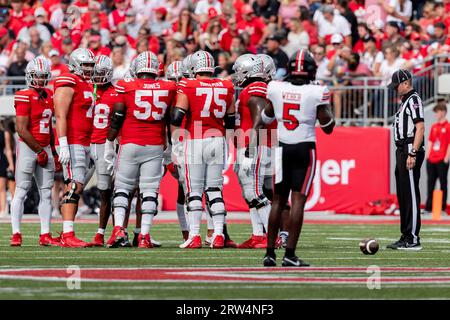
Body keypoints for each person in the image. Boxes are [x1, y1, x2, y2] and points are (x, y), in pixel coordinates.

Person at [259, 49, 335, 267]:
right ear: (311, 69)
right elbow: (328, 126)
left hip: (282, 148)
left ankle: (269, 253)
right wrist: (327, 111)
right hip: (304, 148)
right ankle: (290, 254)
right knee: (298, 200)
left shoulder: (276, 87)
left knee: (278, 201)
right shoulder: (317, 91)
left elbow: (266, 116)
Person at [105, 51, 176, 248]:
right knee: (149, 191)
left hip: (130, 142)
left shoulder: (126, 86)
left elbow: (118, 116)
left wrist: (109, 141)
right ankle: (144, 235)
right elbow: (171, 119)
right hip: (154, 144)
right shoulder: (168, 86)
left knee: (123, 188)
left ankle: (119, 229)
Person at [171, 50, 235, 249]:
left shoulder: (188, 85)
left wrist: (177, 145)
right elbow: (232, 119)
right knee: (215, 190)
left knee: (194, 190)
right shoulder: (226, 85)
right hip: (218, 138)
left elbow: (176, 117)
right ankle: (217, 235)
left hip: (196, 139)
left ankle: (194, 235)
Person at [10, 57, 59, 246]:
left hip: (44, 147)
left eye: (43, 76)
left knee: (46, 192)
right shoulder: (24, 95)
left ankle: (45, 234)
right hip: (28, 147)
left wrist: (52, 150)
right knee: (21, 191)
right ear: (30, 76)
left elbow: (51, 127)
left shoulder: (49, 95)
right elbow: (21, 129)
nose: (39, 79)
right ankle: (16, 233)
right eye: (36, 76)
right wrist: (39, 150)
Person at [54, 48, 96, 248]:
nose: (88, 68)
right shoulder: (68, 80)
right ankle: (67, 234)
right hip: (72, 141)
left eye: (90, 65)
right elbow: (60, 115)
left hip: (85, 141)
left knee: (77, 186)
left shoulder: (86, 83)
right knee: (74, 185)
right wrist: (62, 143)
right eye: (85, 64)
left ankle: (65, 232)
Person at [232, 54, 272, 249]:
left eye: (239, 69)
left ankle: (272, 235)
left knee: (255, 192)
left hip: (255, 145)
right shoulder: (248, 89)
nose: (236, 74)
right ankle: (258, 234)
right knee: (250, 193)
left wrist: (251, 147)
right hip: (248, 144)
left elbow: (261, 118)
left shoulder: (256, 88)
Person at [387, 69, 425, 251]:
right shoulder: (405, 101)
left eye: (397, 86)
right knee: (403, 195)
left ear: (406, 83)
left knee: (410, 194)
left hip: (409, 147)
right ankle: (406, 235)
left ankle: (414, 238)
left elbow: (420, 127)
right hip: (402, 148)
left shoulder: (413, 99)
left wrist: (413, 153)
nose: (395, 89)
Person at [89, 55, 118, 247]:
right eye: (95, 73)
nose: (97, 76)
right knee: (81, 187)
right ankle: (68, 231)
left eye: (101, 73)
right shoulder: (88, 90)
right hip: (88, 145)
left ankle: (111, 232)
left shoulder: (116, 93)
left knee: (110, 191)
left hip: (107, 145)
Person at [424, 100, 450, 215]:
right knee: (430, 183)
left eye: (438, 112)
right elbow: (430, 141)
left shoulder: (448, 127)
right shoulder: (434, 126)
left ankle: (442, 207)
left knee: (443, 184)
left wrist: (446, 157)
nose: (436, 114)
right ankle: (428, 207)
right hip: (432, 159)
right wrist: (427, 156)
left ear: (443, 112)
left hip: (442, 159)